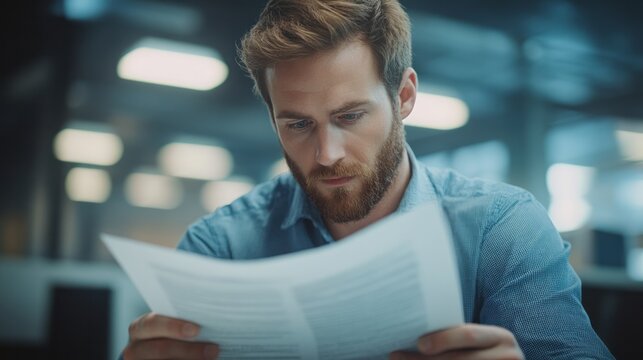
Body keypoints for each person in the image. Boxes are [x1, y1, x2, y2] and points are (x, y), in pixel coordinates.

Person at [122, 1, 614, 359]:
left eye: (351, 116)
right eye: (297, 124)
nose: (327, 154)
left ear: (403, 96)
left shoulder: (501, 227)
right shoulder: (221, 246)